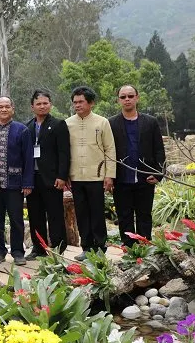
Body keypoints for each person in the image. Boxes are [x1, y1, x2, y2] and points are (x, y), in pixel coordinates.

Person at [109, 85, 165, 246]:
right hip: (121, 178)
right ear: (118, 100)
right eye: (123, 97)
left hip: (145, 177)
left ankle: (145, 248)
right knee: (124, 216)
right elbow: (107, 150)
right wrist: (109, 176)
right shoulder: (111, 123)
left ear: (137, 98)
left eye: (130, 96)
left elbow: (159, 149)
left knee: (144, 215)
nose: (127, 99)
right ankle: (129, 249)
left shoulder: (150, 122)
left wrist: (159, 174)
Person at [66, 86, 116, 261]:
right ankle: (86, 247)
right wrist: (65, 174)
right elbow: (64, 151)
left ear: (91, 103)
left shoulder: (102, 122)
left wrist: (109, 175)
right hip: (75, 177)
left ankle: (100, 246)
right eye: (75, 102)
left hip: (97, 176)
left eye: (81, 102)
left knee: (96, 212)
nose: (77, 105)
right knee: (81, 213)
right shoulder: (68, 123)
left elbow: (110, 149)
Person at [0, 96, 33, 266]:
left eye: (7, 106)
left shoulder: (22, 130)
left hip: (14, 184)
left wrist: (27, 183)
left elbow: (28, 158)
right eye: (0, 107)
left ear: (13, 109)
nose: (4, 109)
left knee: (16, 219)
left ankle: (18, 251)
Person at [25, 91, 70, 259]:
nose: (42, 106)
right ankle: (39, 248)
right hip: (33, 178)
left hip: (52, 178)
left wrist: (62, 176)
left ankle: (58, 247)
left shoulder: (58, 125)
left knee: (55, 214)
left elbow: (64, 152)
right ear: (32, 107)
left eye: (45, 103)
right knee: (35, 215)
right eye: (38, 104)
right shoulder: (28, 126)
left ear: (50, 104)